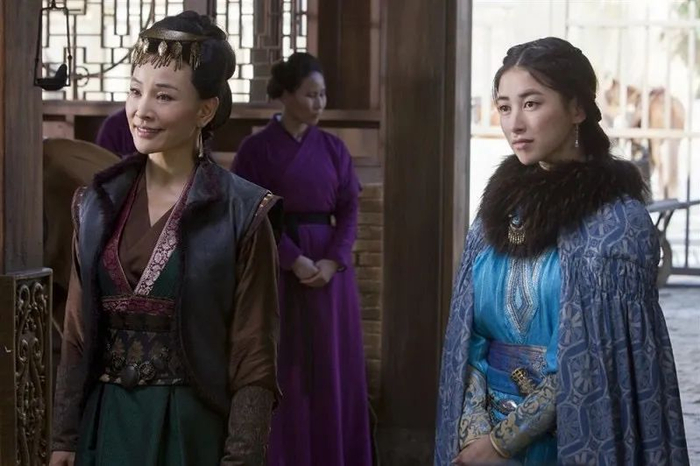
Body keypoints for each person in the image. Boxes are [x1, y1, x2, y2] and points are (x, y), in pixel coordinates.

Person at [434, 37, 689, 466]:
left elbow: (592, 361)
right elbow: (471, 334)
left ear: (577, 109)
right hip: (478, 441)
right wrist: (475, 431)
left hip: (565, 442)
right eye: (504, 107)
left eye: (531, 104)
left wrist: (502, 443)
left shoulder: (615, 224)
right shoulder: (496, 214)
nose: (515, 123)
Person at [50, 11, 282, 466]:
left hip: (190, 432)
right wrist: (64, 438)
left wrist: (242, 458)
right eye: (135, 91)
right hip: (105, 426)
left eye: (164, 96)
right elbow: (76, 336)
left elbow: (254, 356)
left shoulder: (242, 212)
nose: (142, 111)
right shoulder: (94, 204)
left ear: (205, 110)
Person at [231, 52, 372, 466]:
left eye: (323, 95)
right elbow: (250, 211)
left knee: (333, 363)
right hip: (277, 266)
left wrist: (334, 260)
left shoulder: (333, 148)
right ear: (286, 94)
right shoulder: (255, 149)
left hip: (330, 274)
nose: (319, 103)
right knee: (284, 364)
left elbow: (349, 209)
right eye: (311, 94)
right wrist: (291, 259)